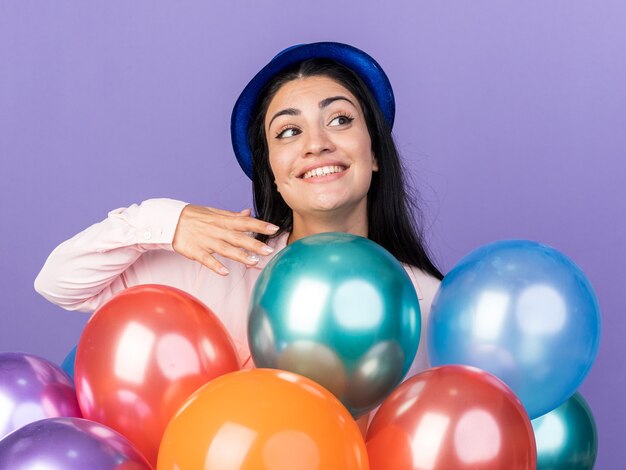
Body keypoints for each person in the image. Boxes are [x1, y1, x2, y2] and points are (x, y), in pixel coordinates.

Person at [34, 41, 443, 411]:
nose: (316, 143)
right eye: (288, 131)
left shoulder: (429, 302)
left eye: (339, 120)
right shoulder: (220, 263)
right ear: (273, 175)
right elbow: (57, 282)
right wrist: (169, 221)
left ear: (374, 154)